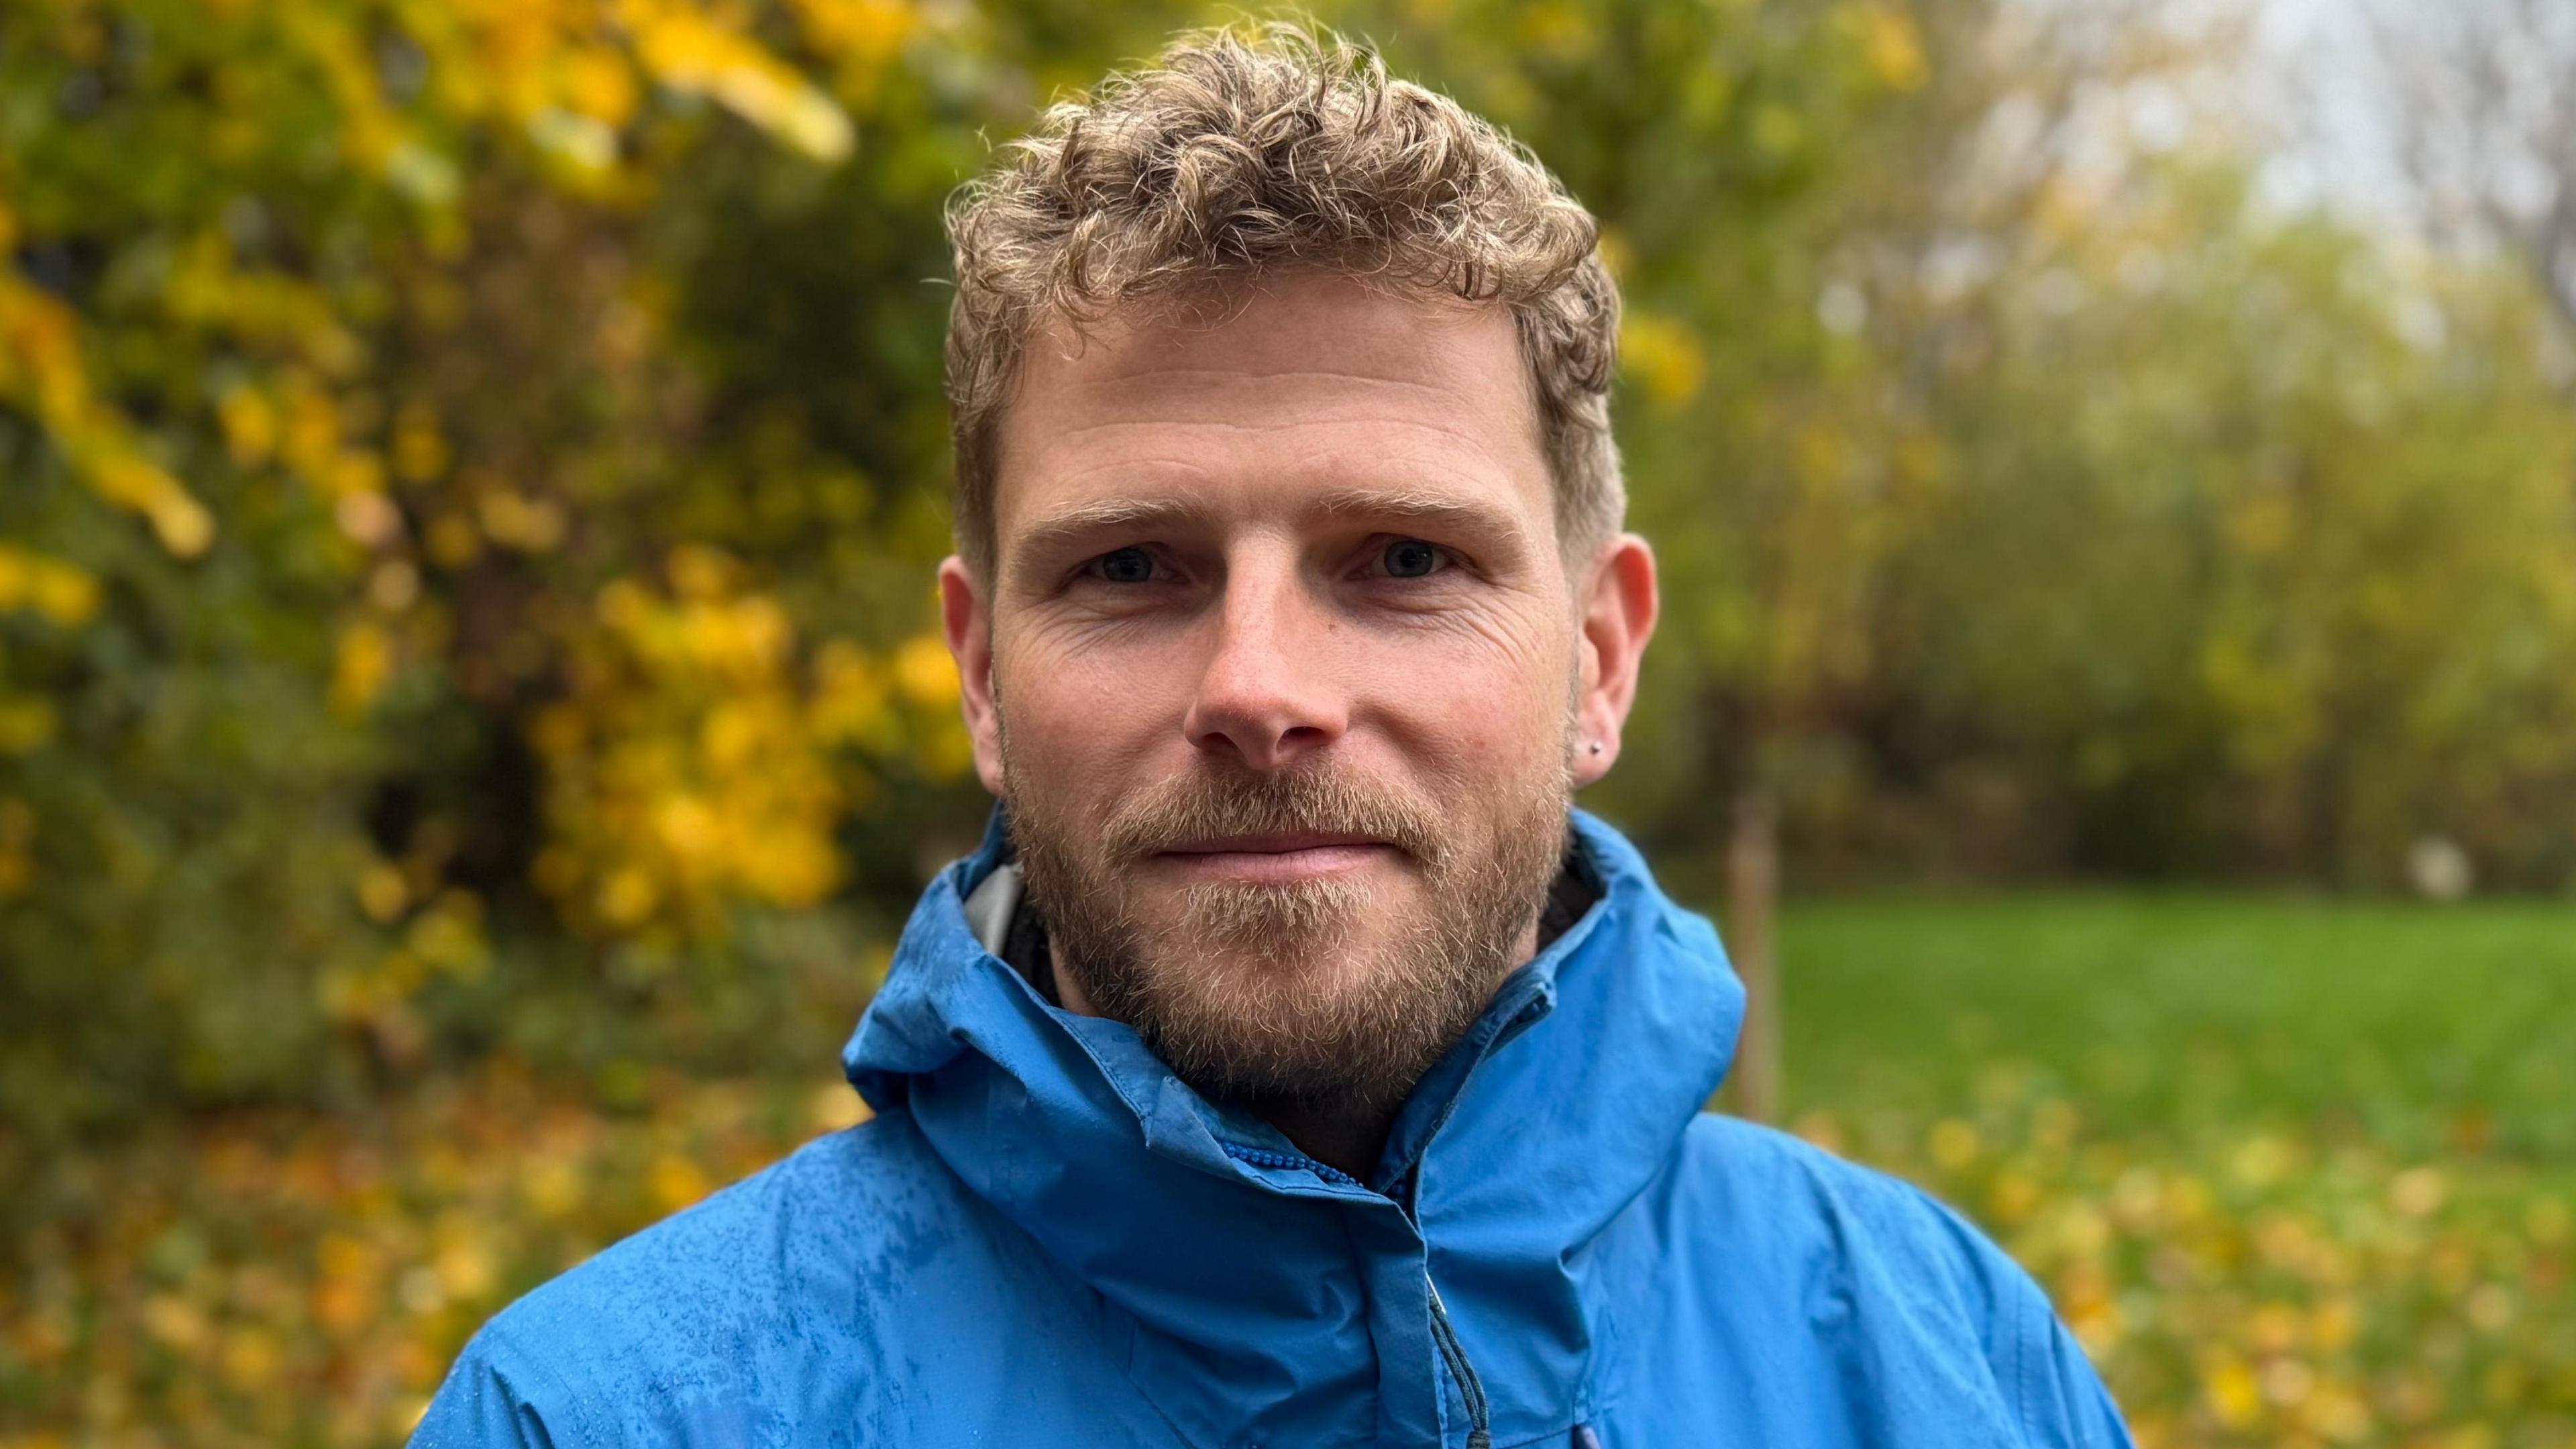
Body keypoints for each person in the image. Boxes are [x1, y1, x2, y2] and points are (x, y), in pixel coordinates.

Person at [414, 23, 2132, 1448]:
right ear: (983, 676)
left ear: (1599, 660)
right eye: (1132, 568)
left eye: (1402, 561)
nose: (1258, 684)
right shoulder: (606, 1416)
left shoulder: (1942, 1360)